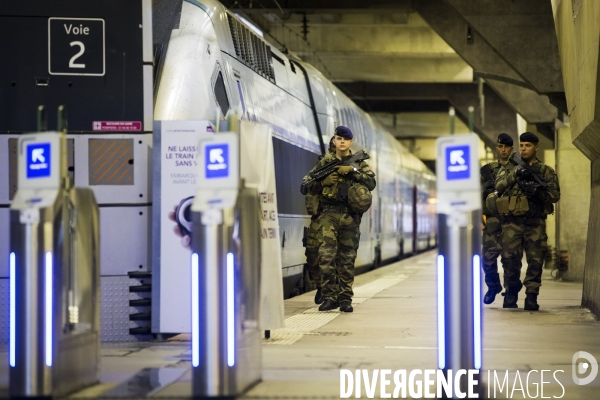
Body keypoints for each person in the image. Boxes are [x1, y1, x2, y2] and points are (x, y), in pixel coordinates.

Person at [301, 126, 376, 312]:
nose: (342, 142)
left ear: (350, 142)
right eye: (338, 138)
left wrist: (352, 171)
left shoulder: (358, 163)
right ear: (334, 141)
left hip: (350, 216)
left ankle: (345, 299)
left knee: (347, 258)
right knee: (326, 256)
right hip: (328, 214)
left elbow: (371, 182)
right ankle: (329, 297)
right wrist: (322, 183)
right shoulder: (325, 162)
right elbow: (305, 185)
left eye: (345, 139)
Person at [492, 132, 560, 310]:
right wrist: (515, 174)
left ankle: (531, 295)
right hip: (511, 223)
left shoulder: (545, 171)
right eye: (521, 145)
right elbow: (498, 187)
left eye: (528, 145)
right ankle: (512, 290)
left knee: (536, 260)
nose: (523, 148)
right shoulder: (508, 168)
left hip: (535, 222)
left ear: (536, 147)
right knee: (509, 259)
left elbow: (555, 195)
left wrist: (538, 193)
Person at [480, 133, 514, 304]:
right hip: (492, 221)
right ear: (496, 148)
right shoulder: (488, 171)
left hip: (512, 221)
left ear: (511, 149)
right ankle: (493, 286)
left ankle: (510, 293)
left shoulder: (517, 170)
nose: (503, 150)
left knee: (511, 261)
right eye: (500, 147)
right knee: (487, 258)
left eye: (506, 147)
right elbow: (476, 195)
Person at [305, 136, 336, 304]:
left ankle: (331, 292)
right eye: (331, 146)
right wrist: (322, 182)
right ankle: (321, 286)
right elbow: (307, 184)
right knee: (312, 255)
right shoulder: (322, 165)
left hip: (337, 218)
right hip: (318, 217)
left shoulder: (351, 166)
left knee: (331, 257)